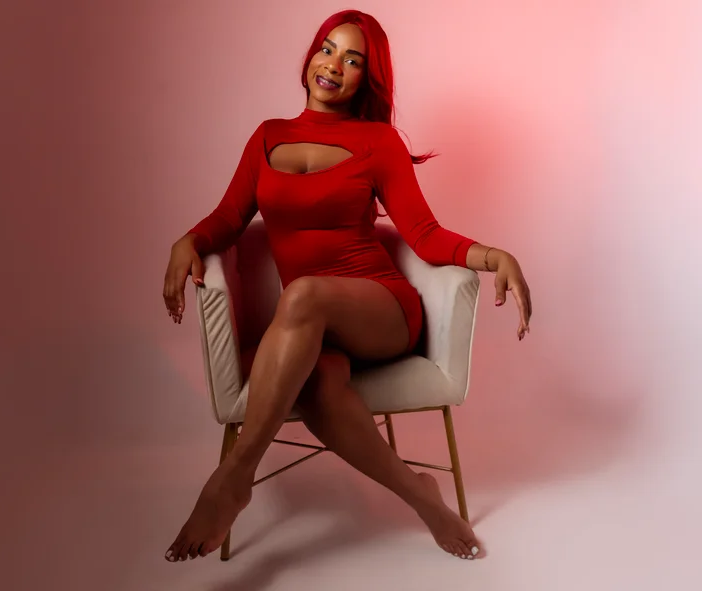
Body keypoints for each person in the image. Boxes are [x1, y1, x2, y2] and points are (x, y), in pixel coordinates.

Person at [161, 9, 532, 562]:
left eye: (353, 59)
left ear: (367, 78)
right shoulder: (268, 136)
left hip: (381, 310)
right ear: (311, 55)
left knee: (304, 293)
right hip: (310, 326)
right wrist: (187, 240)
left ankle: (234, 478)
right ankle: (423, 496)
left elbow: (425, 235)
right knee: (316, 385)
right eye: (327, 49)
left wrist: (493, 255)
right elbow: (230, 218)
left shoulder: (377, 142)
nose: (334, 65)